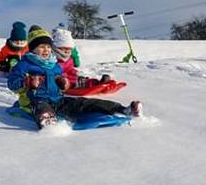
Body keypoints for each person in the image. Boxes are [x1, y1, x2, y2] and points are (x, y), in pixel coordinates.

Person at [7, 28, 142, 129]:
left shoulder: (54, 65)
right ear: (32, 49)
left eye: (48, 46)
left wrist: (63, 83)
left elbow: (62, 79)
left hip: (57, 100)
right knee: (40, 107)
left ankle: (123, 109)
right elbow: (12, 83)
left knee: (83, 103)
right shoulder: (24, 65)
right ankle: (47, 121)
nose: (46, 50)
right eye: (41, 46)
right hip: (34, 101)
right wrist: (27, 82)